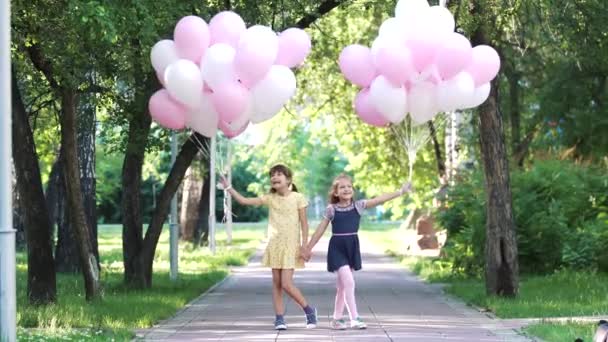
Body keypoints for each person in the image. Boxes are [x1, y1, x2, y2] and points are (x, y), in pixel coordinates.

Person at [303, 174, 412, 330]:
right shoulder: (331, 209)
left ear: (352, 190)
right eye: (342, 187)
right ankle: (355, 318)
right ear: (335, 192)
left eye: (349, 186)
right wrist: (308, 247)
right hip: (337, 249)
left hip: (352, 247)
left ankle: (337, 319)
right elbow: (320, 229)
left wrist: (401, 191)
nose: (346, 189)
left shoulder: (358, 206)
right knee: (349, 282)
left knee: (342, 287)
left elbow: (380, 199)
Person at [220, 164, 317, 330]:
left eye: (279, 174)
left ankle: (309, 310)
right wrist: (228, 187)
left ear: (289, 180)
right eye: (272, 175)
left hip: (290, 246)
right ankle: (279, 318)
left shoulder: (298, 198)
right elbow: (244, 201)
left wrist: (305, 246)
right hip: (274, 245)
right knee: (277, 283)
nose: (274, 177)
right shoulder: (270, 198)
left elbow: (304, 224)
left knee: (286, 283)